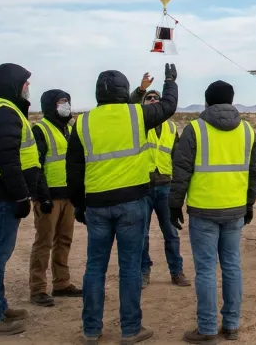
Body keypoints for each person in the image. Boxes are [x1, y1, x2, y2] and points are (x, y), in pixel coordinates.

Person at [67, 64, 178, 344]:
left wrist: (78, 204)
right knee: (129, 268)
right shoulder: (138, 114)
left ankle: (91, 330)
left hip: (96, 204)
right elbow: (168, 105)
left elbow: (74, 169)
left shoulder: (82, 121)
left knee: (95, 267)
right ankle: (130, 329)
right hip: (131, 202)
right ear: (123, 91)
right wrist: (169, 80)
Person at [169, 80, 256, 342]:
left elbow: (181, 171)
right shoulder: (247, 130)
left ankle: (207, 328)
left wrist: (175, 204)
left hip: (204, 211)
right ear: (232, 100)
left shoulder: (194, 129)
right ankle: (231, 325)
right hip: (234, 210)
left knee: (206, 270)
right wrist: (250, 203)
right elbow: (255, 173)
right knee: (232, 266)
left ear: (207, 101)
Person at [0, 62, 46, 335]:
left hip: (0, 193)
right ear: (15, 84)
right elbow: (8, 161)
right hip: (1, 195)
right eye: (25, 82)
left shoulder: (6, 109)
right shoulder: (4, 113)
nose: (28, 87)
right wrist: (20, 196)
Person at [129, 75, 188, 288]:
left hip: (165, 186)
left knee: (171, 232)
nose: (153, 100)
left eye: (156, 98)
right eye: (149, 98)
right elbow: (128, 108)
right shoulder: (137, 124)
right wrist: (140, 90)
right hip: (142, 187)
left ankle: (176, 271)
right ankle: (144, 272)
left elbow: (178, 159)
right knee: (141, 234)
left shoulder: (172, 129)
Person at [28, 89, 83, 307]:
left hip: (68, 195)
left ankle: (61, 283)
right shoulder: (40, 130)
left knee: (64, 240)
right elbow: (35, 165)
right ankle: (38, 288)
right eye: (61, 101)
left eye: (67, 101)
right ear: (51, 104)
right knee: (44, 242)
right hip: (49, 196)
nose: (65, 105)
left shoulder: (70, 128)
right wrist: (43, 196)